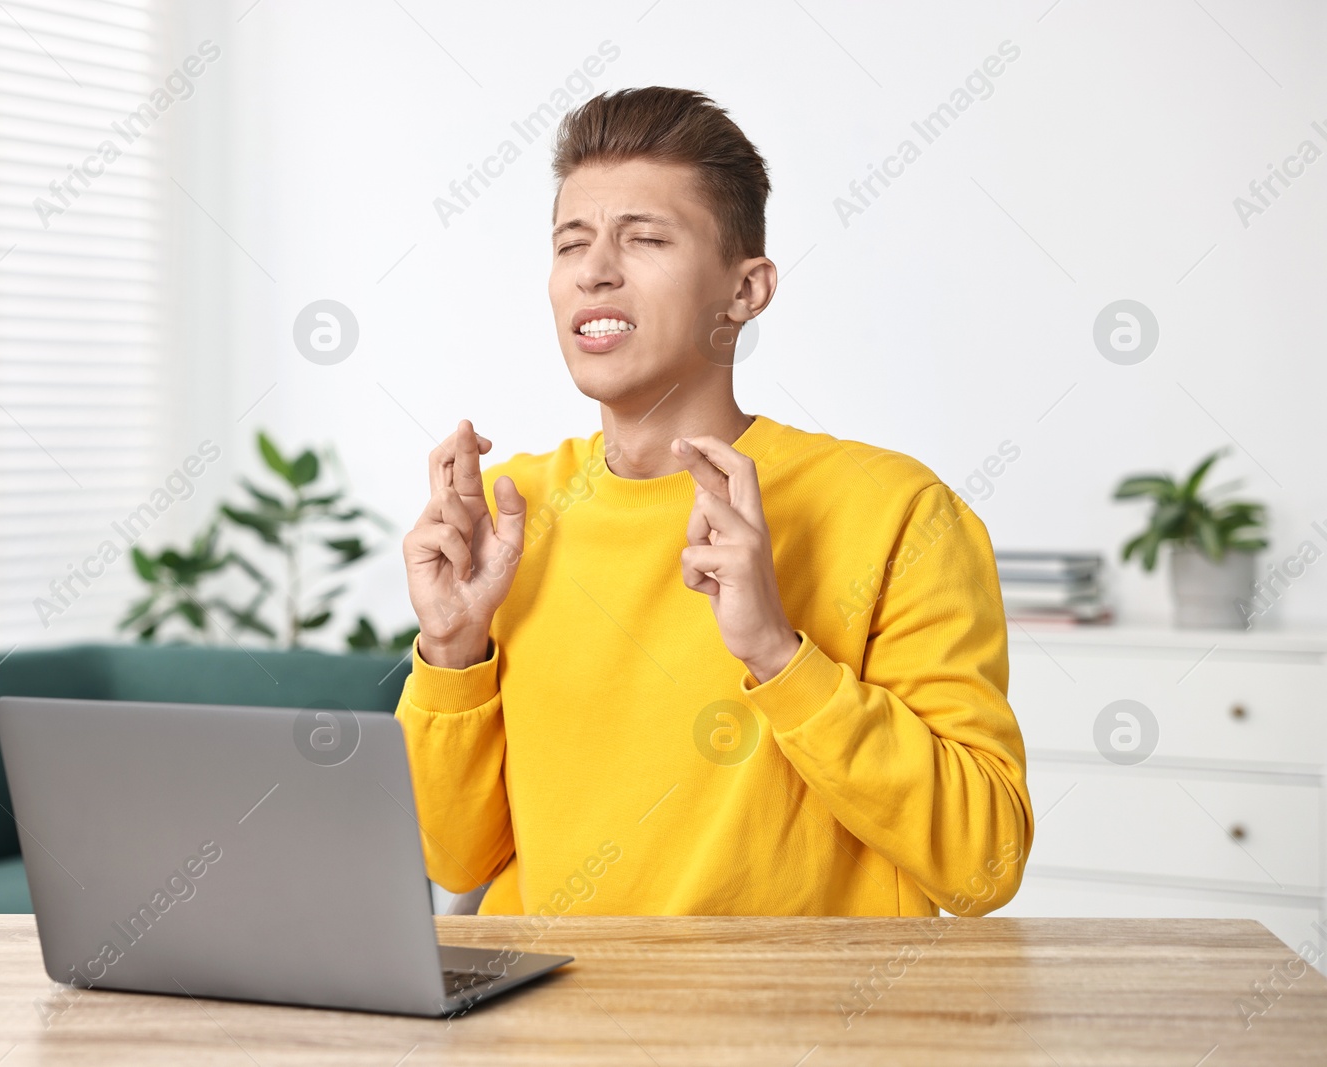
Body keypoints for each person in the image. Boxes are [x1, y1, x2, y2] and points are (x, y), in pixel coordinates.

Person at [395, 86, 1032, 922]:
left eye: (646, 238)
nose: (595, 270)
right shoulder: (511, 512)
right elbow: (458, 857)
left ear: (745, 292)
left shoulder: (898, 511)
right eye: (570, 243)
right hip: (551, 1031)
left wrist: (777, 651)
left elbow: (981, 866)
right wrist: (451, 646)